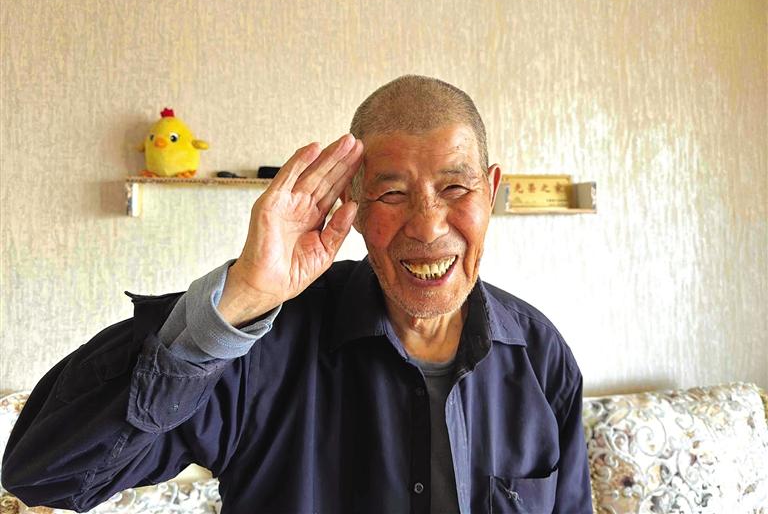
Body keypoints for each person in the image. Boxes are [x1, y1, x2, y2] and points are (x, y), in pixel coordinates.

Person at [2, 75, 592, 513]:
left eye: (455, 188)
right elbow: (47, 476)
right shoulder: (265, 346)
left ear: (491, 191)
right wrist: (239, 299)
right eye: (392, 194)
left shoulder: (541, 356)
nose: (428, 225)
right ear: (354, 204)